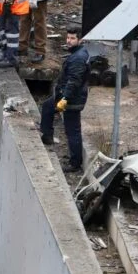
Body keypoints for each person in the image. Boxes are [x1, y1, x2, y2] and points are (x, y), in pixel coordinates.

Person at [39, 26, 90, 173]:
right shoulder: (77, 54)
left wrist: (65, 98)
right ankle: (47, 135)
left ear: (80, 40)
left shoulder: (78, 58)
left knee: (72, 131)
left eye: (72, 38)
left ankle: (75, 163)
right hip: (66, 95)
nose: (69, 41)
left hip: (72, 99)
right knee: (48, 107)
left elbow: (74, 81)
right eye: (68, 38)